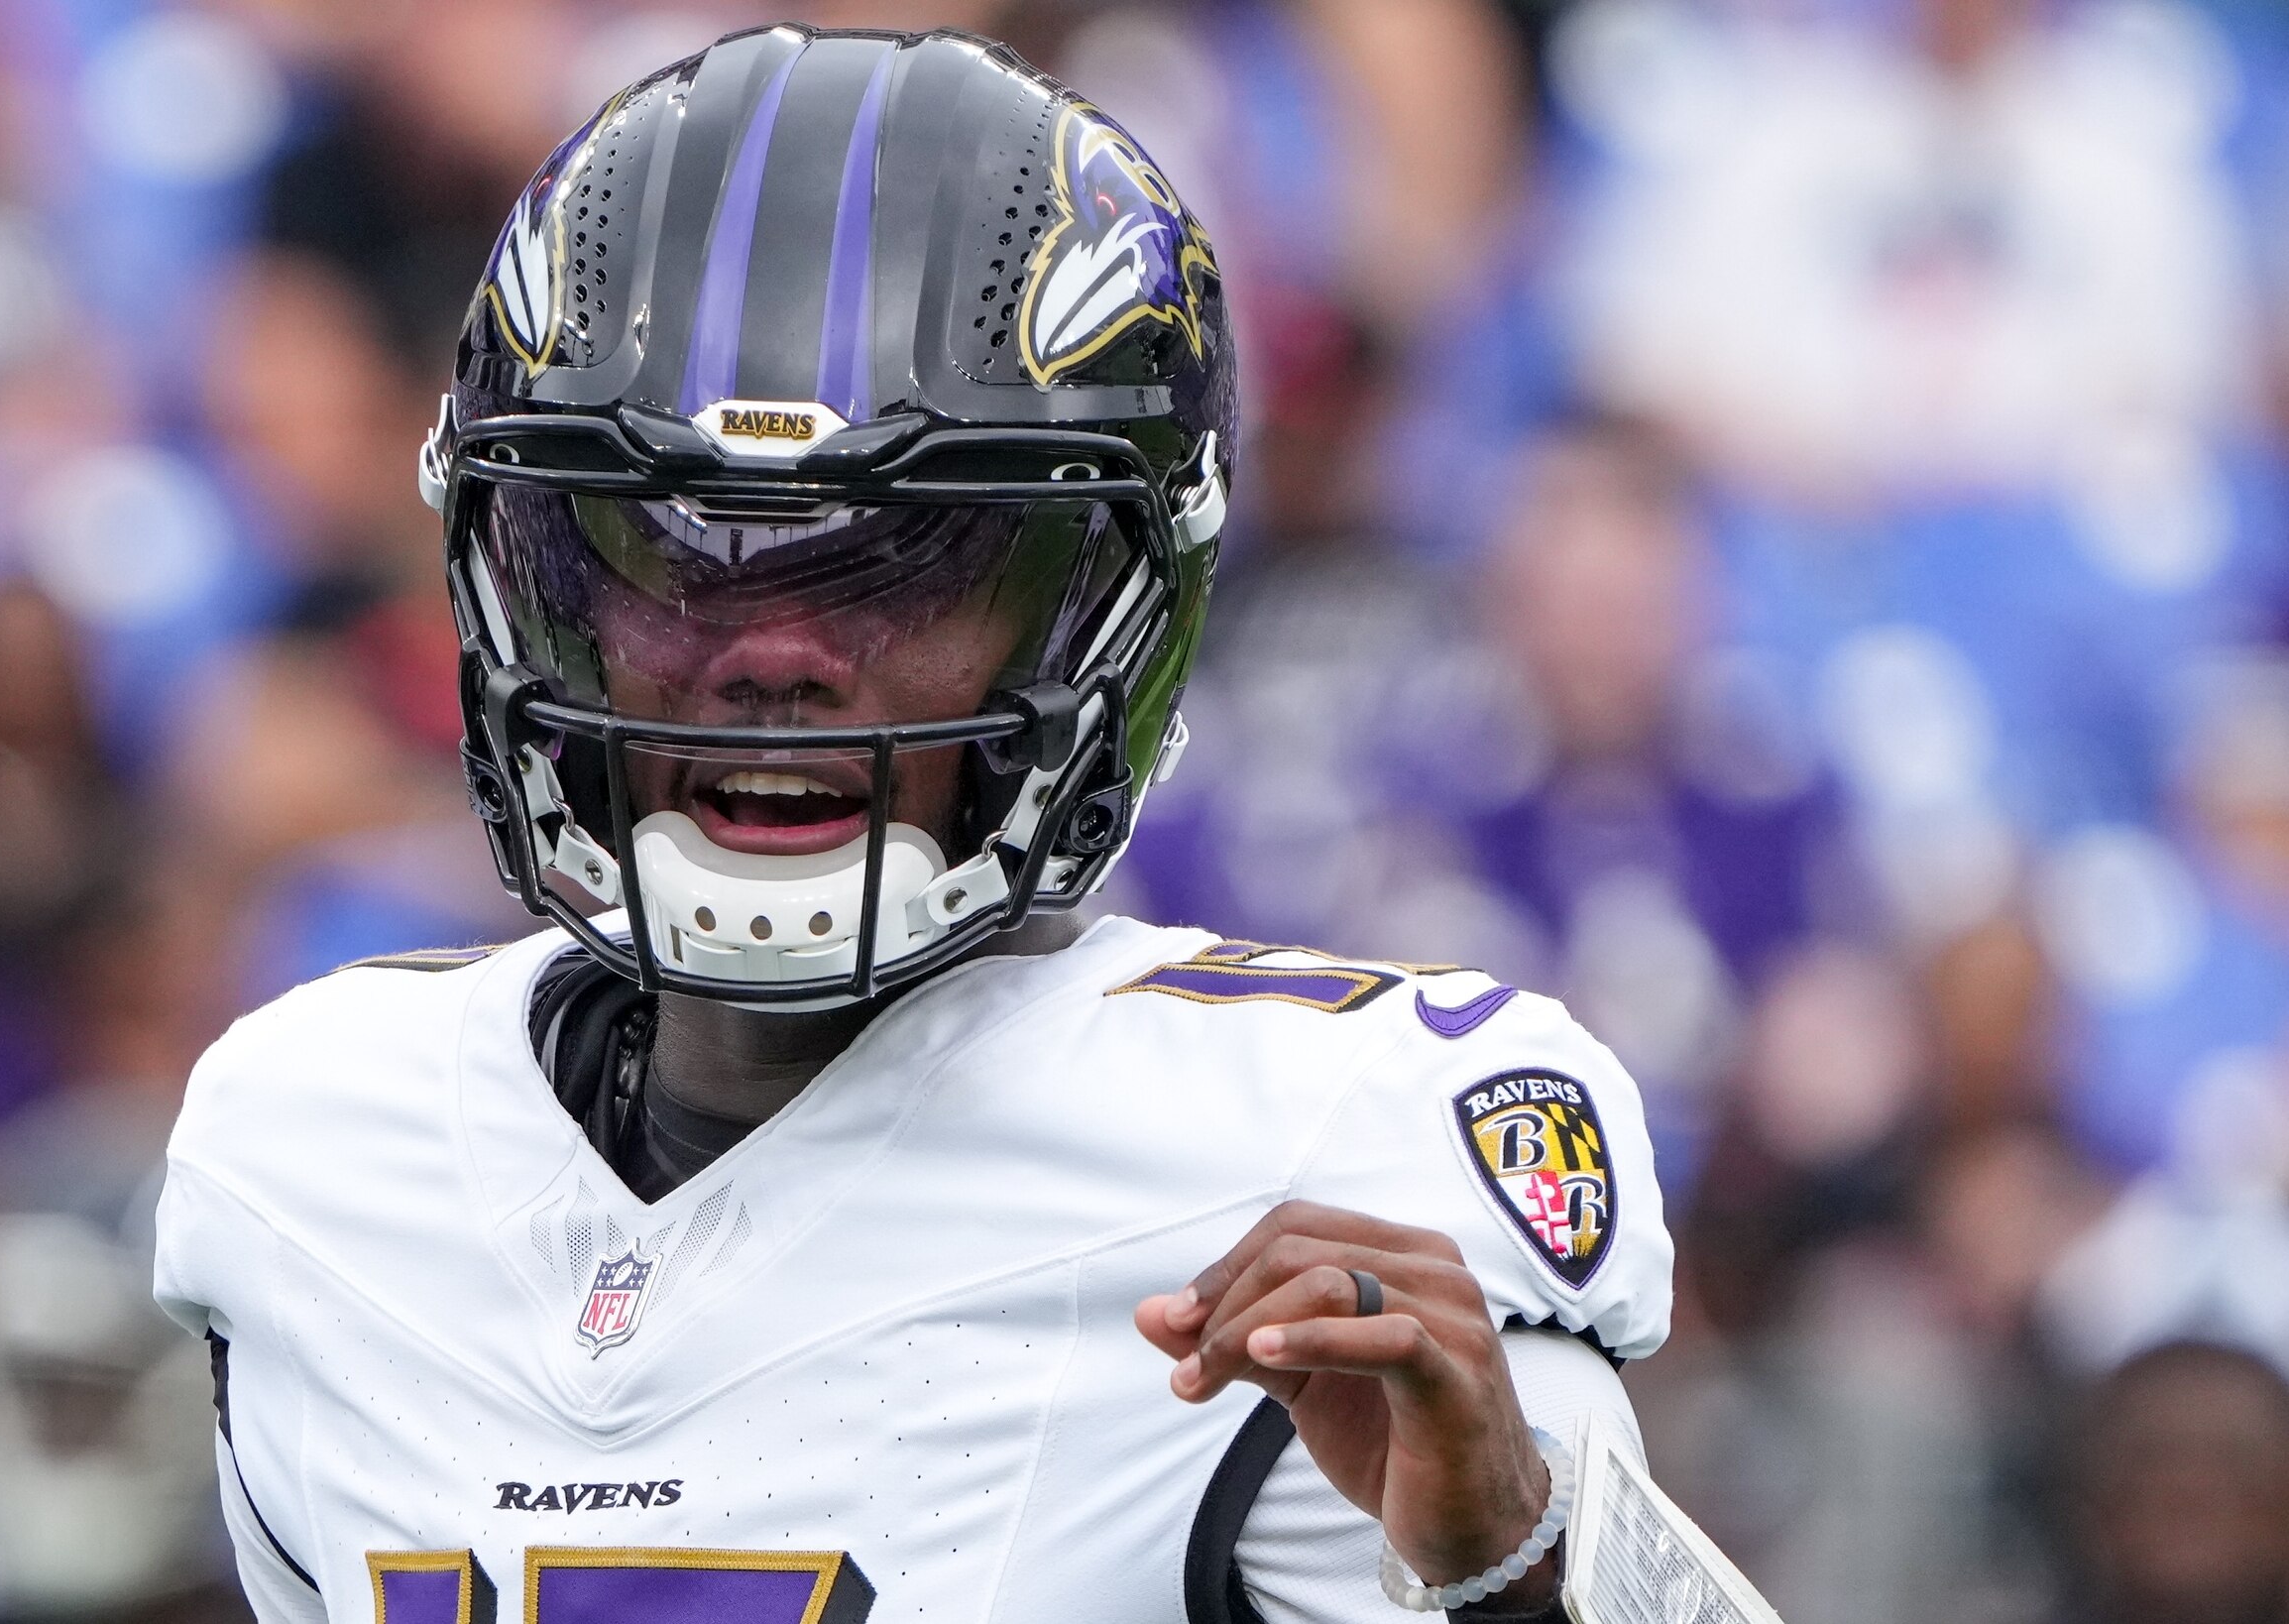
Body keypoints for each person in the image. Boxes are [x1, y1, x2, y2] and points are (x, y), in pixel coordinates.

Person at [154, 26, 1677, 1624]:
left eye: (909, 562)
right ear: (524, 574)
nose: (774, 655)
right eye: (672, 552)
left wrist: (1509, 1575)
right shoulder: (314, 1156)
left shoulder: (1321, 1158)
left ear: (1103, 607)